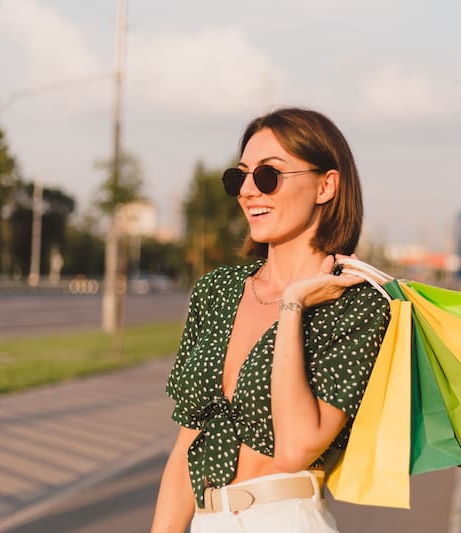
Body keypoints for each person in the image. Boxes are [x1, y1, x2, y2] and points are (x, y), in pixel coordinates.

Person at [150, 107, 391, 533]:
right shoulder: (216, 291)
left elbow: (297, 446)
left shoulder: (358, 306)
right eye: (239, 176)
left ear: (326, 185)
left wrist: (293, 305)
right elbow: (187, 443)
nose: (247, 190)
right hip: (207, 522)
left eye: (268, 175)